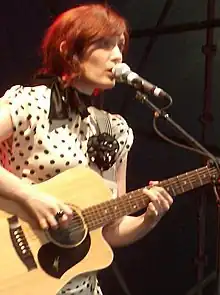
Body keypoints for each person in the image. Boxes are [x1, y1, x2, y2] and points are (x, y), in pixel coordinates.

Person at [0, 3, 173, 295]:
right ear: (70, 51)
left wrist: (147, 220)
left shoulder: (114, 129)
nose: (117, 55)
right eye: (104, 45)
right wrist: (29, 197)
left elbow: (111, 229)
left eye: (119, 45)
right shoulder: (30, 104)